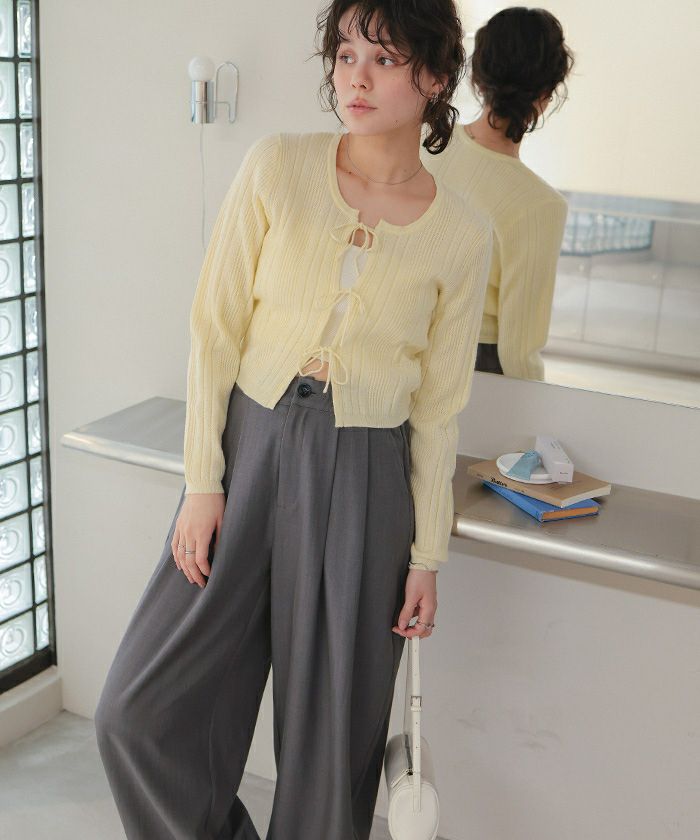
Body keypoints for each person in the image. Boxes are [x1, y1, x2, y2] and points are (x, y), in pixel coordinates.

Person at [93, 1, 493, 838]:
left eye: (383, 58)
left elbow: (438, 410)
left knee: (332, 748)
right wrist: (203, 483)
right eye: (345, 54)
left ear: (434, 77)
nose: (356, 76)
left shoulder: (462, 234)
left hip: (368, 478)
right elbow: (214, 329)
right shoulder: (277, 165)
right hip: (250, 451)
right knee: (138, 714)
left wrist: (427, 556)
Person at [420, 6, 575, 381]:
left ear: (477, 77)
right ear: (547, 94)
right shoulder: (539, 206)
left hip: (402, 342)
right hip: (475, 365)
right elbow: (519, 349)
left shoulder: (425, 143)